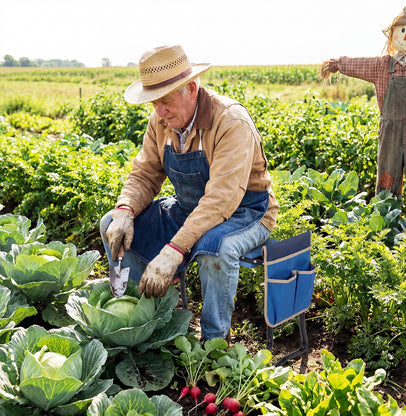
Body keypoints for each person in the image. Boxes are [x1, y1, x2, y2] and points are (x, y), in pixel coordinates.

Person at [100, 45, 278, 341]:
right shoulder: (160, 122)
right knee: (112, 225)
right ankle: (143, 321)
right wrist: (125, 209)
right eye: (154, 103)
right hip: (188, 208)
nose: (159, 112)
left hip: (244, 210)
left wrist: (174, 249)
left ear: (191, 88)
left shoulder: (230, 122)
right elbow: (145, 173)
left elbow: (221, 198)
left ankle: (213, 344)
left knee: (215, 250)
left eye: (166, 102)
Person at [319, 6, 406, 209]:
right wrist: (336, 64)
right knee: (388, 177)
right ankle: (387, 221)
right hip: (391, 133)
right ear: (394, 35)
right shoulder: (383, 65)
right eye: (403, 30)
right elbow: (359, 64)